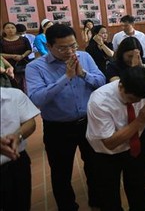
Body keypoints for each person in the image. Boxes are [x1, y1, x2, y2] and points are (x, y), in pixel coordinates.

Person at [26, 24, 106, 210]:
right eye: (63, 48)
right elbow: (37, 98)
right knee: (61, 172)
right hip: (58, 128)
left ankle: (98, 200)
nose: (70, 51)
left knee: (95, 166)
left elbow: (101, 81)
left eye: (73, 46)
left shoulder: (84, 57)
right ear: (50, 46)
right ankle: (67, 206)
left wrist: (83, 74)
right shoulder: (36, 67)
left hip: (88, 122)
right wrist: (66, 77)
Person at [87, 66, 145, 211]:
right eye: (132, 99)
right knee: (109, 196)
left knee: (138, 189)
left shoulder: (144, 91)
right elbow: (110, 143)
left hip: (134, 147)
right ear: (121, 86)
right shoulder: (99, 100)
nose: (136, 102)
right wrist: (140, 120)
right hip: (106, 155)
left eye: (140, 99)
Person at [1, 87, 40, 211]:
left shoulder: (13, 95)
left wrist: (18, 135)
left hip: (17, 162)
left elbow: (30, 122)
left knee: (21, 203)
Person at [1, 22, 32, 92]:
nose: (10, 30)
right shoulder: (1, 41)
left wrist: (22, 56)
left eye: (12, 27)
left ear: (16, 29)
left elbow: (29, 50)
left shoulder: (24, 39)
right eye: (8, 28)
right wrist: (12, 56)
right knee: (14, 85)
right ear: (4, 30)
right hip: (9, 66)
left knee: (27, 83)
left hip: (24, 63)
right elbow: (0, 54)